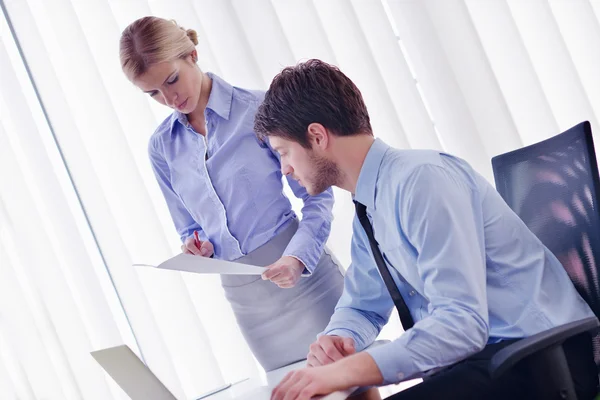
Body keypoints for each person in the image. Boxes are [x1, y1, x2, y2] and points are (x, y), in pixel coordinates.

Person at [253, 59, 599, 399]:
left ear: (316, 136)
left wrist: (342, 373)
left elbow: (462, 323)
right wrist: (338, 340)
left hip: (539, 361)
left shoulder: (421, 180)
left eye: (284, 152)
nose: (285, 169)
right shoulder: (371, 206)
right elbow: (363, 304)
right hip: (488, 361)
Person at [118, 18, 344, 371]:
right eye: (153, 94)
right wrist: (197, 246)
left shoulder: (259, 110)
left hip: (305, 283)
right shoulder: (162, 148)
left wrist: (298, 258)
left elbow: (318, 196)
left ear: (192, 54)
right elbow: (188, 227)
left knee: (354, 389)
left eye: (171, 80)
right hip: (248, 304)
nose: (169, 99)